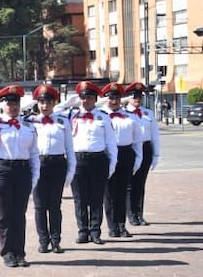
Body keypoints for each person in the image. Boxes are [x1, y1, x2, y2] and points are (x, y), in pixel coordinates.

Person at [0, 85, 40, 268]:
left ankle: (20, 252)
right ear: (2, 104)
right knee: (4, 213)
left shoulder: (28, 125)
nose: (13, 106)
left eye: (15, 103)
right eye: (9, 103)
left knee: (19, 213)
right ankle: (7, 252)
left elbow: (34, 152)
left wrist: (35, 175)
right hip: (3, 169)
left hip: (23, 170)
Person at [67, 81, 118, 245]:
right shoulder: (71, 116)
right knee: (80, 199)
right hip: (78, 160)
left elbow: (111, 142)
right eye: (82, 98)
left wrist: (112, 164)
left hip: (98, 159)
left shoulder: (103, 117)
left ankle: (95, 231)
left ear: (95, 99)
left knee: (97, 198)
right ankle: (83, 231)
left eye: (89, 98)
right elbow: (58, 109)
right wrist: (71, 101)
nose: (85, 101)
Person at [27, 85, 75, 254]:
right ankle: (43, 241)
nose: (45, 106)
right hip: (38, 163)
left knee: (55, 205)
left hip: (57, 164)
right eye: (41, 102)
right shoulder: (30, 121)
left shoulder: (63, 121)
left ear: (54, 103)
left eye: (48, 102)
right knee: (39, 206)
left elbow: (70, 149)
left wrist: (71, 171)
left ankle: (56, 240)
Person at [101, 83, 143, 239]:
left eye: (117, 98)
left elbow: (137, 140)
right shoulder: (101, 116)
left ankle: (121, 225)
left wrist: (138, 160)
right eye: (111, 98)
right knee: (109, 193)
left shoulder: (130, 117)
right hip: (107, 155)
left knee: (122, 192)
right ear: (105, 99)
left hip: (125, 154)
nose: (114, 101)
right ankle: (112, 226)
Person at [125, 82, 158, 227]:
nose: (137, 99)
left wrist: (156, 154)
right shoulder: (123, 113)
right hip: (130, 149)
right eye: (134, 96)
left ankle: (139, 213)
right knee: (129, 184)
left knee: (140, 184)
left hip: (145, 148)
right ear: (128, 98)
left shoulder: (148, 113)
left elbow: (155, 135)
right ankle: (131, 214)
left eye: (139, 96)